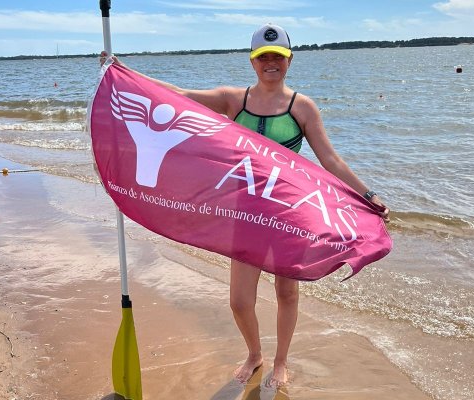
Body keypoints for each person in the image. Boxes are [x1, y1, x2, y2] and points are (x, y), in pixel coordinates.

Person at [100, 23, 389, 388]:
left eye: (278, 57)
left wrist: (367, 195)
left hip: (288, 214)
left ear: (289, 60)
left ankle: (281, 361)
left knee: (286, 292)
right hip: (245, 213)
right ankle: (255, 354)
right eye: (263, 57)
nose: (271, 63)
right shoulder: (234, 100)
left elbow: (329, 160)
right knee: (239, 301)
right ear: (253, 61)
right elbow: (176, 94)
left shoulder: (302, 107)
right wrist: (121, 70)